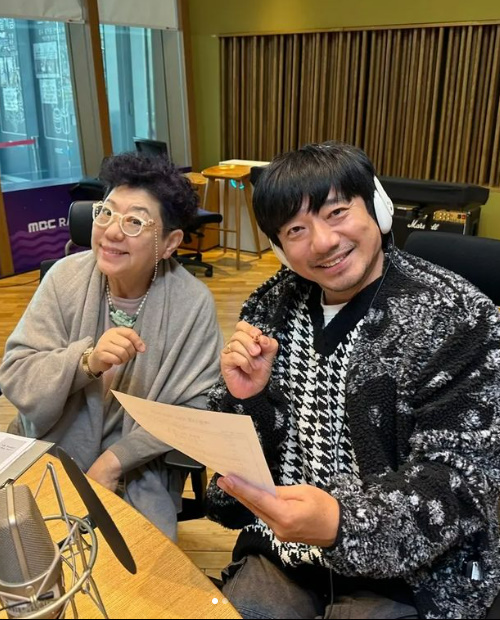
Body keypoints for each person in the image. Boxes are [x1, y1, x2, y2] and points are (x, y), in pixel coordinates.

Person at [205, 141, 500, 619]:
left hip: (415, 570)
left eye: (337, 212)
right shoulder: (269, 308)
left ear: (378, 209)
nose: (323, 242)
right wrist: (249, 401)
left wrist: (341, 522)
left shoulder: (458, 318)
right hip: (286, 549)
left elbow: (461, 480)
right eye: (296, 230)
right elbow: (231, 465)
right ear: (280, 248)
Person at [0, 152, 223, 540]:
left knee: (133, 566)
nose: (112, 232)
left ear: (170, 243)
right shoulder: (64, 278)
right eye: (105, 213)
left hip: (137, 466)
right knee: (26, 553)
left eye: (135, 221)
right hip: (51, 445)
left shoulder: (192, 304)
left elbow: (199, 405)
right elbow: (17, 373)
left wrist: (114, 461)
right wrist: (85, 362)